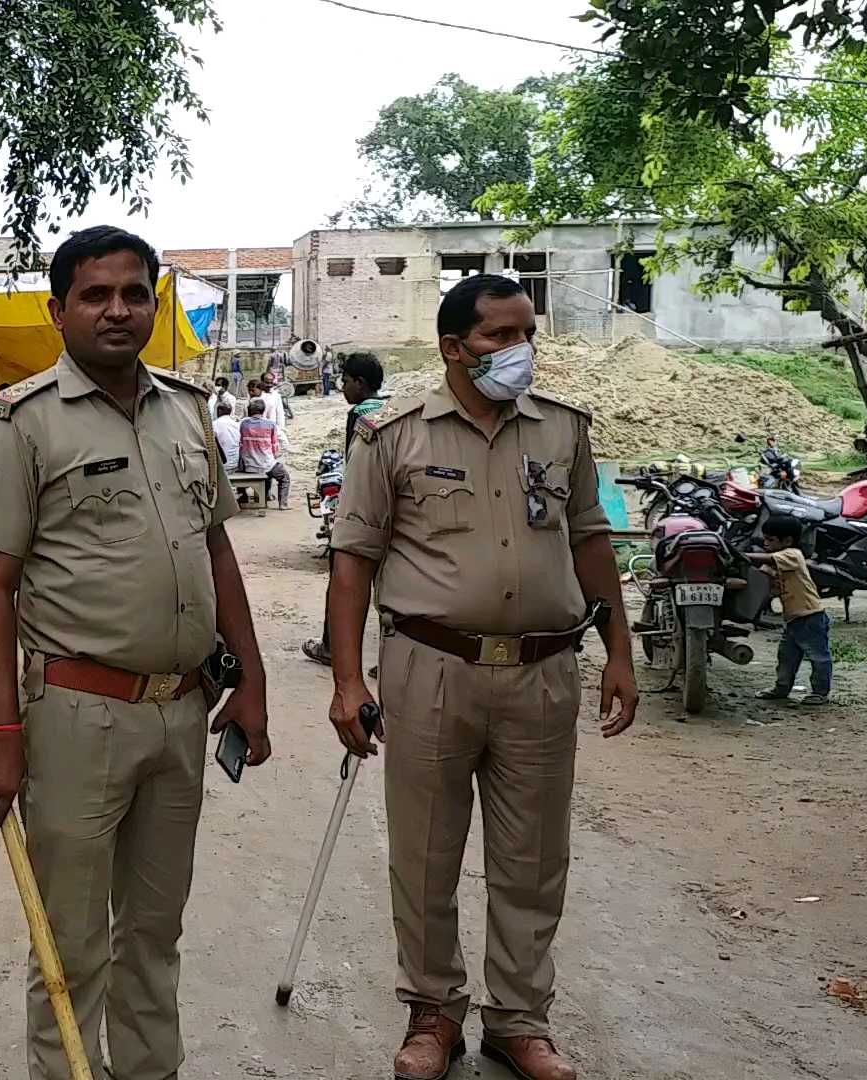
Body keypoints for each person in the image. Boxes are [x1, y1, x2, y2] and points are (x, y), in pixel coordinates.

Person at [0, 225, 270, 1080]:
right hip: (77, 716)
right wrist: (1, 733)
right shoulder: (25, 423)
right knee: (71, 945)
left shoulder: (187, 411)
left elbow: (216, 552)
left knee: (155, 933)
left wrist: (254, 681)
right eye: (95, 295)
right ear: (59, 311)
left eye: (135, 293)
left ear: (154, 303)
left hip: (181, 712)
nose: (118, 310)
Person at [326, 273, 636, 1080]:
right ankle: (432, 1012)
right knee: (426, 852)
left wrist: (622, 655)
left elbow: (591, 541)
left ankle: (519, 1020)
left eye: (526, 332)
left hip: (542, 670)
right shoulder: (393, 435)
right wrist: (348, 682)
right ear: (454, 348)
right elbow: (353, 559)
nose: (519, 350)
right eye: (500, 336)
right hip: (431, 666)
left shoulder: (563, 432)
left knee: (533, 857)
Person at [303, 349, 386, 665]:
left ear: (360, 383)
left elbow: (355, 462)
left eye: (346, 381)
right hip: (389, 508)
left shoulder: (359, 413)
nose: (342, 387)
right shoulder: (389, 407)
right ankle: (387, 657)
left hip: (361, 508)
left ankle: (330, 646)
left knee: (342, 580)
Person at [749, 516, 831, 705]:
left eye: (771, 540)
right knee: (786, 657)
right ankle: (782, 688)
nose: (765, 543)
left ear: (787, 541)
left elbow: (768, 558)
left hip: (810, 617)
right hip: (793, 619)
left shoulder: (793, 555)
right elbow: (762, 577)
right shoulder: (774, 563)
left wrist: (743, 555)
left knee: (818, 657)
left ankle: (820, 692)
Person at [237, 398, 290, 506]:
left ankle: (251, 498)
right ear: (263, 411)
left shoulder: (243, 424)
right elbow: (276, 446)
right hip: (266, 464)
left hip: (248, 465)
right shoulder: (270, 424)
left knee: (266, 472)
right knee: (284, 477)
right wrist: (275, 456)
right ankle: (283, 504)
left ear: (249, 411)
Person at [212, 399, 241, 465]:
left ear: (219, 411)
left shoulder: (214, 424)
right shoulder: (237, 424)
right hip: (234, 464)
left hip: (223, 465)